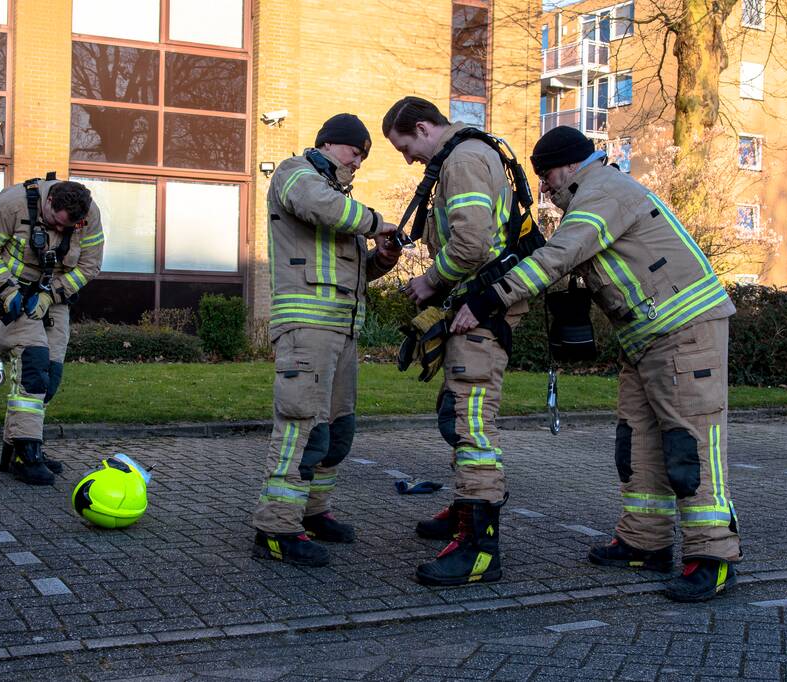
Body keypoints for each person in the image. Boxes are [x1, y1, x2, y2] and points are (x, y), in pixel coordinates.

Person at [451, 125, 742, 602]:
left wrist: (491, 298)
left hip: (685, 334)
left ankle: (713, 555)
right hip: (647, 339)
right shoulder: (596, 194)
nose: (544, 187)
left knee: (691, 447)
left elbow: (563, 255)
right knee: (639, 445)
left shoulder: (603, 192)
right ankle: (643, 542)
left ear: (567, 165)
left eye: (545, 175)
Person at [383, 96, 528, 586]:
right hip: (473, 310)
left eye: (406, 148)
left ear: (423, 128)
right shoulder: (467, 155)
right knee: (459, 418)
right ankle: (465, 515)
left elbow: (470, 243)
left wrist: (429, 281)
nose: (409, 160)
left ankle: (479, 550)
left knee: (473, 429)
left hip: (480, 312)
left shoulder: (463, 160)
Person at [252, 113, 402, 567]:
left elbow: (353, 275)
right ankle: (276, 527)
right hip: (307, 331)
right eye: (356, 153)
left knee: (336, 431)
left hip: (341, 332)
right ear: (333, 144)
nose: (358, 164)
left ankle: (313, 513)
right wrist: (377, 223)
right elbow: (324, 210)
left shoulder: (339, 201)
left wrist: (382, 259)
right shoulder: (295, 174)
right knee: (300, 426)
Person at [0, 177, 104, 486]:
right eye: (55, 224)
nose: (60, 232)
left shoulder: (89, 216)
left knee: (50, 377)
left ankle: (16, 447)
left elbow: (89, 266)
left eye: (67, 229)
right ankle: (27, 455)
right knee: (33, 365)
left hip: (52, 298)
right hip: (14, 296)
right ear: (48, 202)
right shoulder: (11, 204)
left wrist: (51, 294)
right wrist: (6, 290)